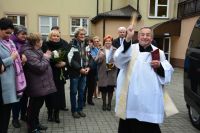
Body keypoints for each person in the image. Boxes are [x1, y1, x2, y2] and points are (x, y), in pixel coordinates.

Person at [114, 25, 174, 133]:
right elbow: (119, 61)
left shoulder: (158, 52)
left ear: (151, 38)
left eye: (148, 35)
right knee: (128, 124)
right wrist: (128, 38)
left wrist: (159, 66)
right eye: (142, 34)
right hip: (130, 97)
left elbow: (167, 71)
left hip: (149, 98)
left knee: (148, 126)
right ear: (138, 36)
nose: (145, 37)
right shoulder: (130, 48)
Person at [23, 33, 57, 133]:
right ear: (36, 42)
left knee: (37, 107)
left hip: (41, 84)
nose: (42, 42)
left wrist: (45, 56)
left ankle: (36, 124)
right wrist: (47, 57)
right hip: (36, 84)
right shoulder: (28, 52)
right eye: (41, 40)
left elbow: (42, 61)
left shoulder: (36, 50)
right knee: (33, 108)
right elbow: (40, 67)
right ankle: (32, 128)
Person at [0, 17, 25, 133]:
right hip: (2, 87)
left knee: (6, 116)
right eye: (6, 32)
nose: (9, 35)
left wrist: (20, 59)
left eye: (10, 33)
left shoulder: (10, 42)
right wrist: (12, 58)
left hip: (10, 84)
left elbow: (16, 61)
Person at [42, 30, 68, 123]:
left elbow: (68, 58)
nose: (55, 37)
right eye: (53, 36)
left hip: (59, 74)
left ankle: (56, 114)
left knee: (58, 94)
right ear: (50, 36)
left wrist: (64, 63)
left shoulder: (63, 45)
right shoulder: (45, 45)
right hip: (49, 72)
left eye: (57, 36)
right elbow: (43, 58)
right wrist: (53, 62)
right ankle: (49, 113)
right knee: (49, 94)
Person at [67, 27, 92, 118]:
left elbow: (89, 58)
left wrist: (88, 67)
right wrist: (79, 69)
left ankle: (80, 109)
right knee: (73, 92)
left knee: (81, 92)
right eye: (81, 34)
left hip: (84, 72)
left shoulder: (87, 45)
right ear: (76, 35)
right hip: (75, 73)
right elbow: (70, 59)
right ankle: (74, 111)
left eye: (84, 34)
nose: (83, 36)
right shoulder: (72, 45)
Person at [10, 25, 29, 128]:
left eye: (26, 34)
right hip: (16, 75)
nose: (25, 36)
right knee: (17, 98)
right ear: (16, 34)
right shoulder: (12, 43)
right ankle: (15, 118)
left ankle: (23, 115)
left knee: (25, 97)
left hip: (26, 74)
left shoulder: (26, 43)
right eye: (23, 34)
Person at [96, 35, 117, 111]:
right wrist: (100, 57)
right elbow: (97, 61)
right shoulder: (101, 50)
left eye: (109, 41)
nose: (108, 42)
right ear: (104, 42)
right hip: (103, 71)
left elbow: (118, 60)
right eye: (106, 41)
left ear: (111, 42)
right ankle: (104, 104)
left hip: (112, 71)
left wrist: (115, 64)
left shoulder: (115, 50)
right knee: (103, 89)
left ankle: (109, 104)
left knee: (110, 89)